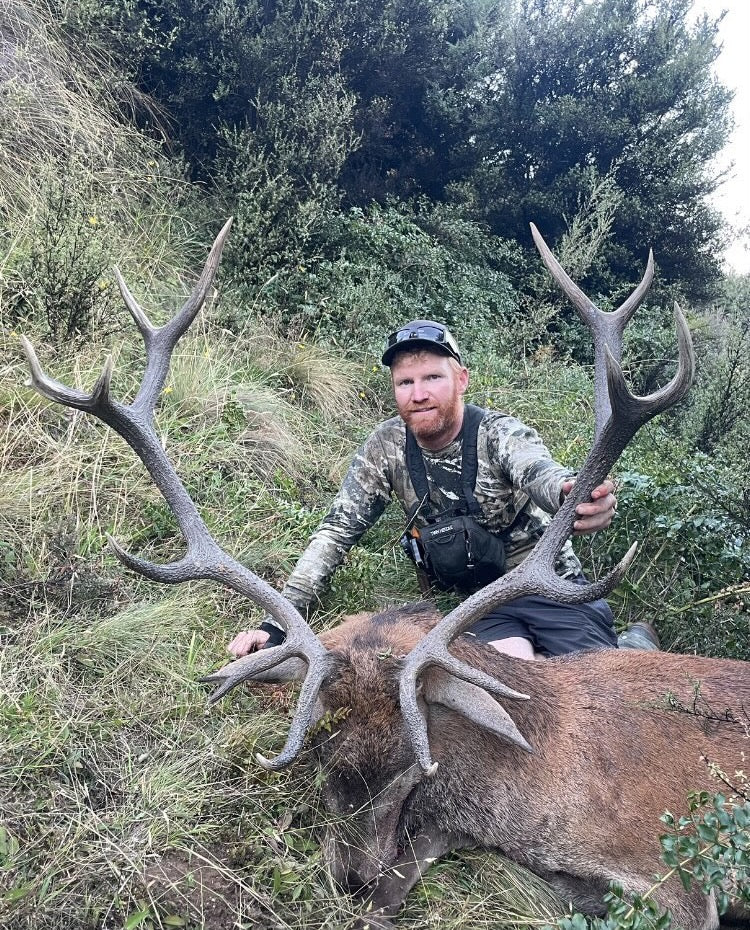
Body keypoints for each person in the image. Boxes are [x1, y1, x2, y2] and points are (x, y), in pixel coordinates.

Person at [228, 320, 659, 659]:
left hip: (550, 590)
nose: (418, 394)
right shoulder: (386, 447)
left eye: (432, 377)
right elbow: (335, 533)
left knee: (602, 699)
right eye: (405, 383)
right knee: (513, 694)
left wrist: (573, 496)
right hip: (480, 606)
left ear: (461, 380)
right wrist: (276, 625)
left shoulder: (498, 433)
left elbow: (541, 473)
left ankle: (634, 646)